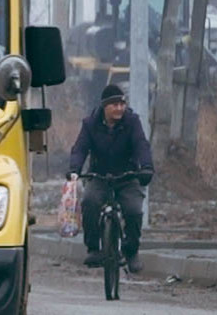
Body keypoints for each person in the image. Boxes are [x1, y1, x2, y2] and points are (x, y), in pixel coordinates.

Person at [65, 82, 155, 273]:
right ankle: (93, 248)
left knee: (133, 210)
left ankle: (131, 251)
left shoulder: (132, 122)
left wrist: (146, 167)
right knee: (89, 202)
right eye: (115, 105)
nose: (120, 108)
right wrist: (74, 169)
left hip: (127, 176)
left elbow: (141, 145)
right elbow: (80, 148)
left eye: (122, 104)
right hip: (99, 176)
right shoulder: (90, 124)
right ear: (105, 106)